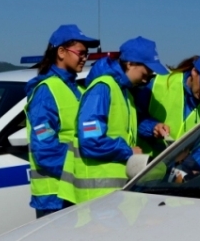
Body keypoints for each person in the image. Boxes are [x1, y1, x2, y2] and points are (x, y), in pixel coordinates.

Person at [58, 36, 167, 204]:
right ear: (130, 63)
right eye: (146, 71)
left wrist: (152, 128)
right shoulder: (103, 88)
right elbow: (91, 140)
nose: (148, 78)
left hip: (110, 196)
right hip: (94, 196)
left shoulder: (124, 91)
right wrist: (129, 152)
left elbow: (127, 127)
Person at [25, 24, 99, 217]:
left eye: (87, 53)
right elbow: (44, 150)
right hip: (55, 198)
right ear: (61, 52)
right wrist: (80, 172)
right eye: (80, 52)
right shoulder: (46, 92)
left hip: (74, 192)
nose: (85, 57)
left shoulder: (79, 90)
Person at [136, 52, 200, 163]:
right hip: (145, 165)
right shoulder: (161, 83)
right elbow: (135, 118)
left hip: (182, 172)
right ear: (194, 72)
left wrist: (189, 169)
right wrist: (153, 127)